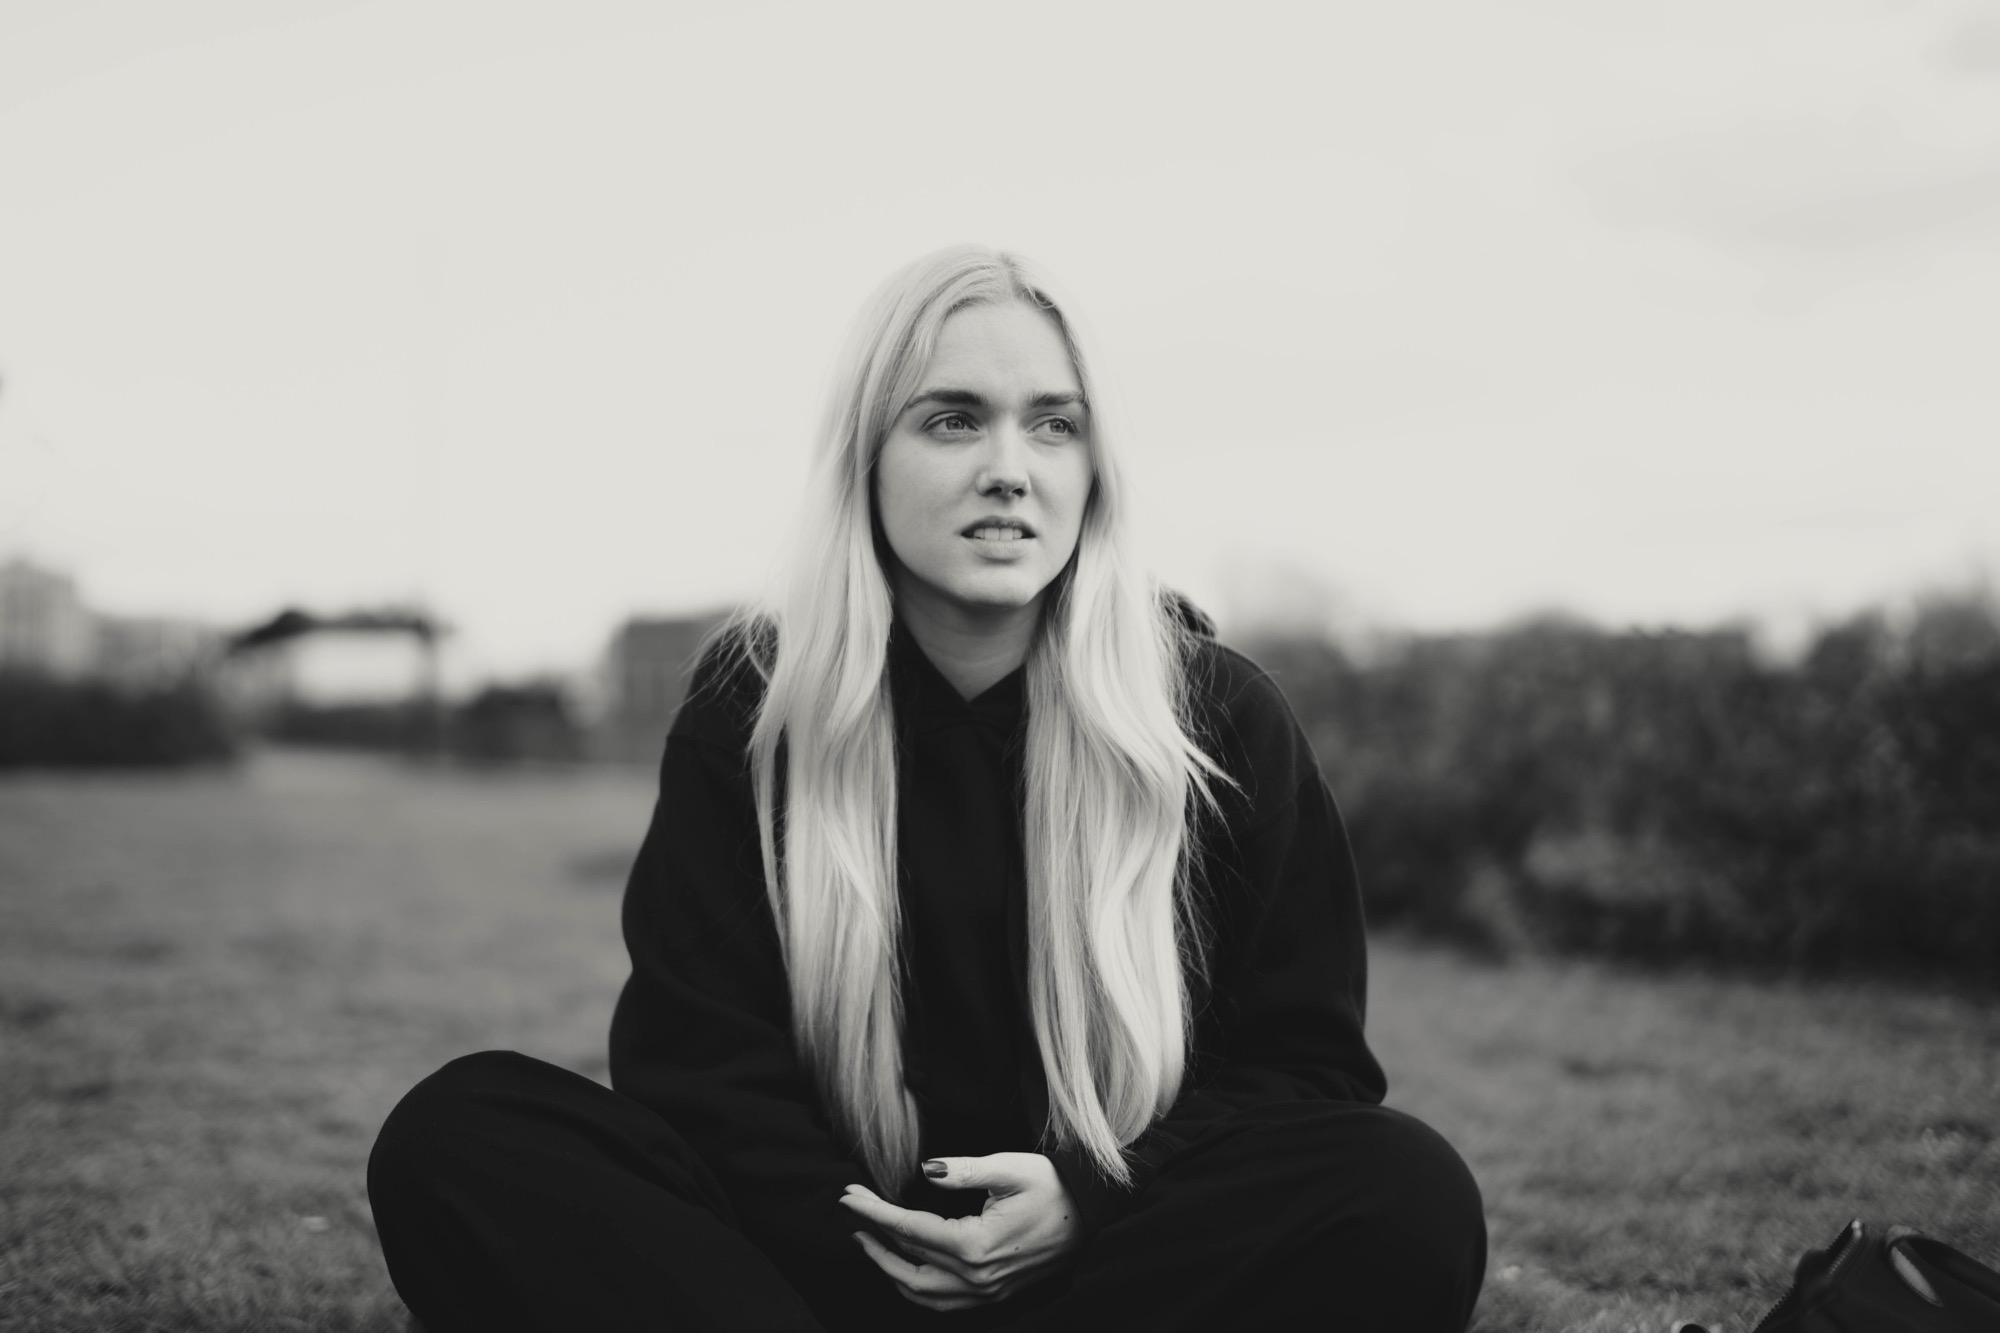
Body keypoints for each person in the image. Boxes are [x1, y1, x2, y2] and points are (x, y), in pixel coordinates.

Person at [367, 247, 1487, 1331]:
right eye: (952, 418)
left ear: (1095, 469)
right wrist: (870, 1241)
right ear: (867, 456)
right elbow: (698, 1067)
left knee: (1401, 1190)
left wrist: (1090, 1197)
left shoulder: (1213, 715)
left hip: (1115, 1271)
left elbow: (1307, 1066)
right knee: (462, 1133)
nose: (1010, 466)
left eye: (1053, 423)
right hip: (811, 1266)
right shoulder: (756, 708)